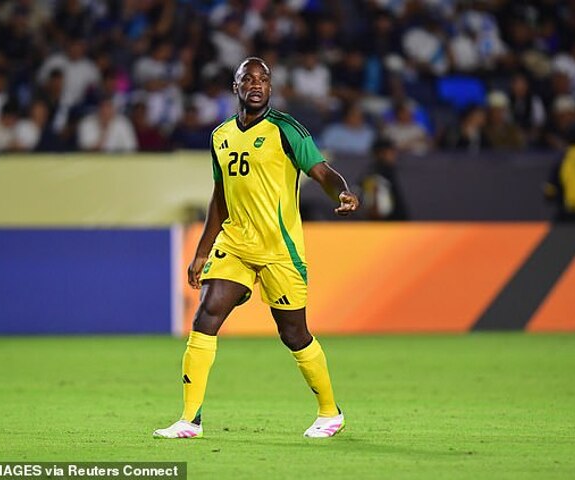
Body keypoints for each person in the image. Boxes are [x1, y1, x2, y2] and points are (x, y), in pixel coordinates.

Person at [153, 57, 359, 440]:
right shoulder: (220, 136)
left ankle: (330, 412)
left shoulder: (286, 129)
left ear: (270, 87)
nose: (256, 84)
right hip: (235, 243)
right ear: (236, 86)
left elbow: (321, 172)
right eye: (248, 79)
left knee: (293, 333)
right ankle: (189, 419)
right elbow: (220, 197)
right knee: (205, 317)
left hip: (279, 250)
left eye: (263, 79)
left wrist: (342, 192)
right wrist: (202, 251)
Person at [358, 138, 408, 220]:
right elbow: (375, 209)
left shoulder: (388, 171)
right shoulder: (376, 174)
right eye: (391, 152)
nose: (394, 155)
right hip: (387, 224)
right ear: (381, 154)